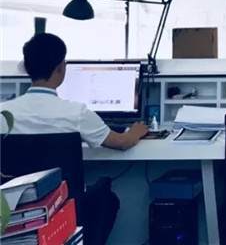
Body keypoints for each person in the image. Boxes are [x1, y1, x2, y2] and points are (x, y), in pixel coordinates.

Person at [1, 33, 148, 244]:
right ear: (61, 68)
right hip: (64, 209)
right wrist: (136, 131)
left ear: (27, 68)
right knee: (106, 198)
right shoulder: (75, 113)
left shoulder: (4, 113)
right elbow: (121, 143)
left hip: (14, 214)